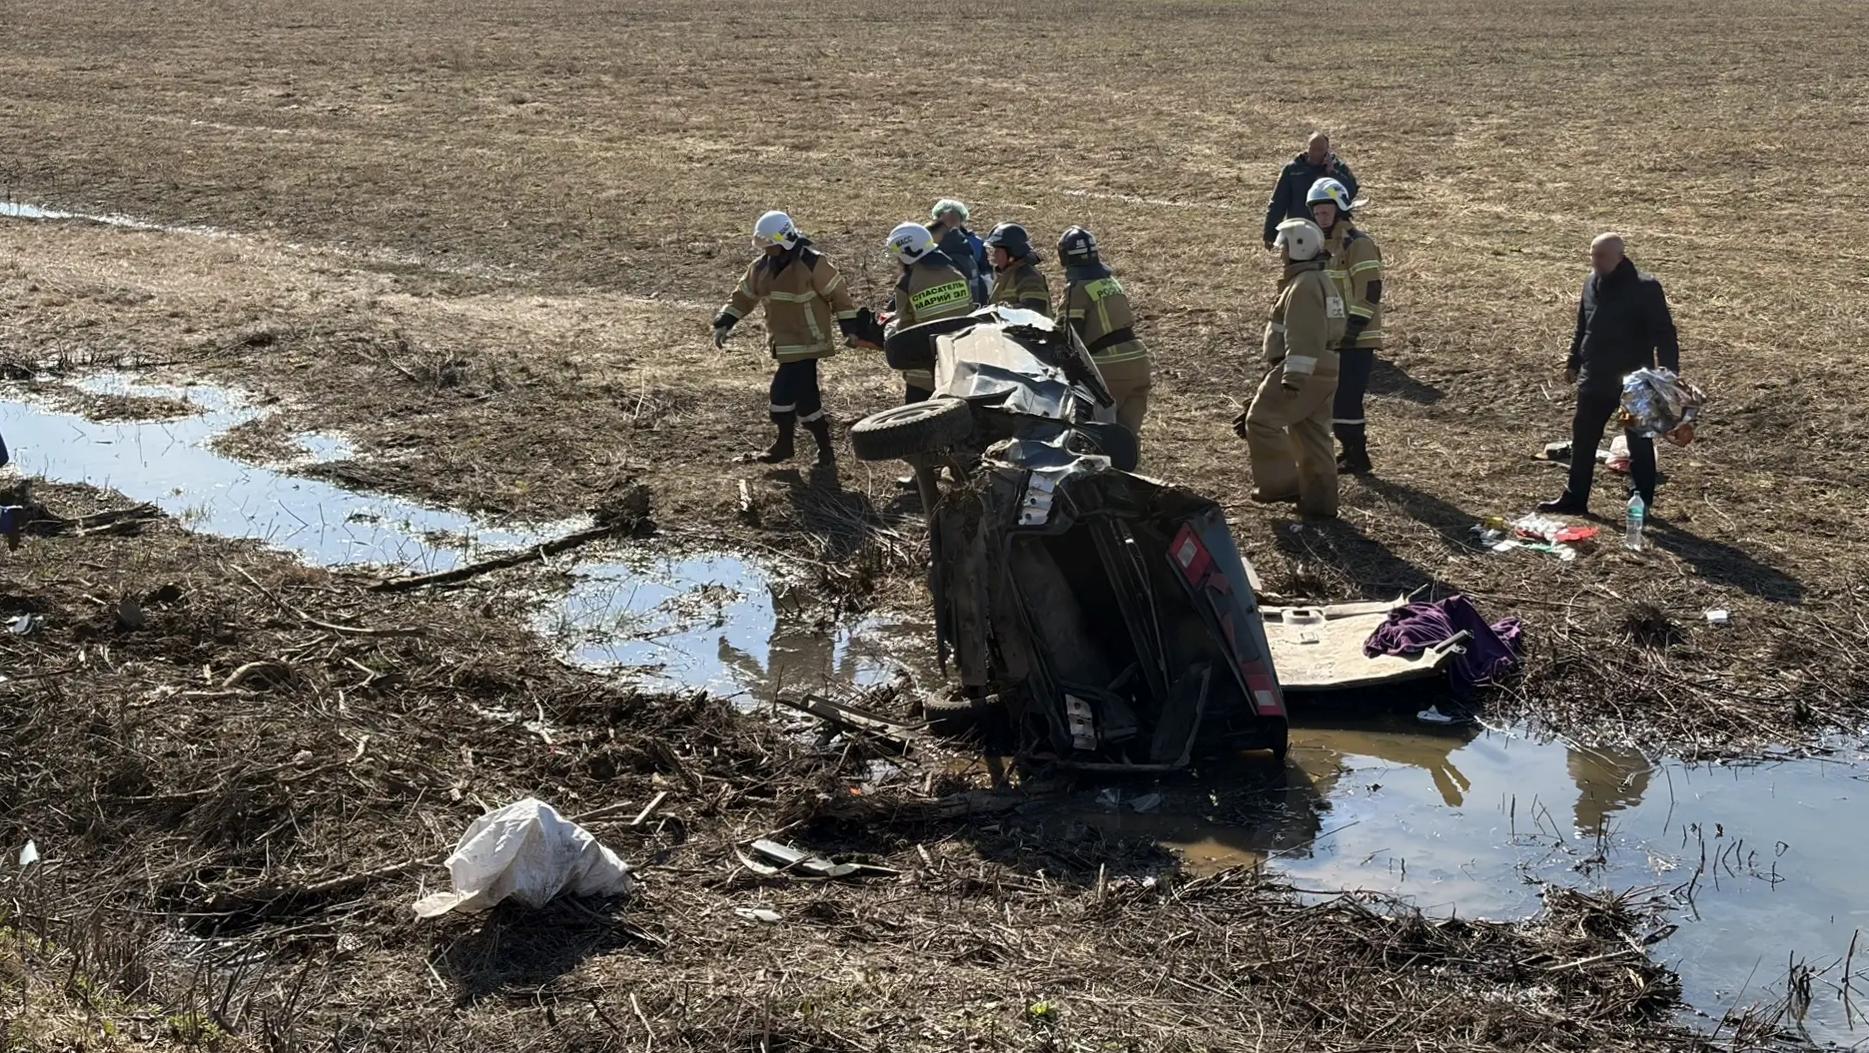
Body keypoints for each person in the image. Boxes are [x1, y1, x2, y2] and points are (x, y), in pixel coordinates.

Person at [711, 211, 866, 466]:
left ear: (785, 241)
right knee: (806, 400)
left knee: (781, 395)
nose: (766, 251)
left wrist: (850, 329)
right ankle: (824, 450)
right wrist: (725, 322)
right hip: (783, 342)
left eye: (770, 245)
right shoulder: (761, 267)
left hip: (809, 341)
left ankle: (785, 445)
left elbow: (839, 296)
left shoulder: (813, 263)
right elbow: (743, 296)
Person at [1539, 233, 1679, 514]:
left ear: (1620, 256)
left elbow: (1665, 333)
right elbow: (1583, 324)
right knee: (1584, 438)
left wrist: (1668, 374)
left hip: (1634, 381)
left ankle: (1642, 501)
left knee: (1638, 440)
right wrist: (1573, 361)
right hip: (1595, 377)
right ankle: (1575, 498)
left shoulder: (1645, 287)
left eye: (1601, 256)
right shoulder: (1591, 282)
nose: (1595, 261)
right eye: (1592, 255)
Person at [1244, 218, 1347, 518]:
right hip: (1326, 368)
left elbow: (1304, 336)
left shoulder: (1303, 286)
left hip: (1304, 369)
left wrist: (1293, 378)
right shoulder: (1320, 281)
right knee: (1312, 434)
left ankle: (1281, 485)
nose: (1281, 254)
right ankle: (1320, 504)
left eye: (1285, 247)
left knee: (1260, 421)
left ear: (1299, 248)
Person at [1308, 177, 1384, 474]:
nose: (1320, 217)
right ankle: (1351, 453)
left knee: (1347, 400)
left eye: (1325, 211)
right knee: (1335, 399)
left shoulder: (1358, 244)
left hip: (1356, 338)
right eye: (1316, 212)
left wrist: (1353, 329)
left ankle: (1357, 455)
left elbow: (1370, 290)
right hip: (1333, 338)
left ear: (1340, 210)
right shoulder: (1320, 248)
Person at [1056, 226, 1153, 435]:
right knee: (1127, 440)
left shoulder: (1077, 288)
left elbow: (1066, 336)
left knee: (1096, 436)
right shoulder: (1112, 283)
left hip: (1107, 370)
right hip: (1139, 364)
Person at [883, 220, 976, 402]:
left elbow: (904, 328)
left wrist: (888, 328)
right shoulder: (955, 271)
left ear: (907, 252)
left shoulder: (906, 283)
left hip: (924, 375)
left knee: (915, 420)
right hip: (962, 365)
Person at [1262, 132, 1358, 250]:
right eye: (1313, 149)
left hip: (1331, 231)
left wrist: (1332, 173)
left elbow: (1348, 195)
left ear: (1327, 150)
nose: (1316, 153)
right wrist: (1270, 233)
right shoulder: (1293, 171)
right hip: (1301, 230)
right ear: (1307, 148)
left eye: (1320, 150)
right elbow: (1278, 202)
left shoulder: (1338, 168)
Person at [928, 199, 991, 305]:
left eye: (954, 219)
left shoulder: (976, 243)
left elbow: (986, 271)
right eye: (946, 220)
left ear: (961, 220)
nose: (950, 224)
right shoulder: (928, 242)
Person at [983, 223, 1051, 315]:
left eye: (997, 251)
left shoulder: (1027, 276)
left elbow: (1034, 310)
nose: (994, 255)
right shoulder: (1005, 276)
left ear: (1012, 252)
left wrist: (1001, 311)